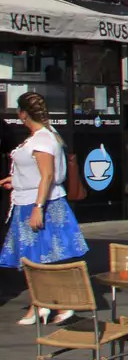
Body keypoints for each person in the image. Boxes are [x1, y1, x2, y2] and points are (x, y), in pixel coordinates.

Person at [1, 94, 87, 320]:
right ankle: (49, 304)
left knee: (37, 258)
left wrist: (38, 207)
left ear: (22, 113)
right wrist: (16, 181)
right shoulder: (45, 136)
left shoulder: (42, 139)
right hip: (30, 199)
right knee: (40, 258)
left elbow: (48, 175)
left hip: (37, 203)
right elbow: (39, 173)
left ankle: (45, 304)